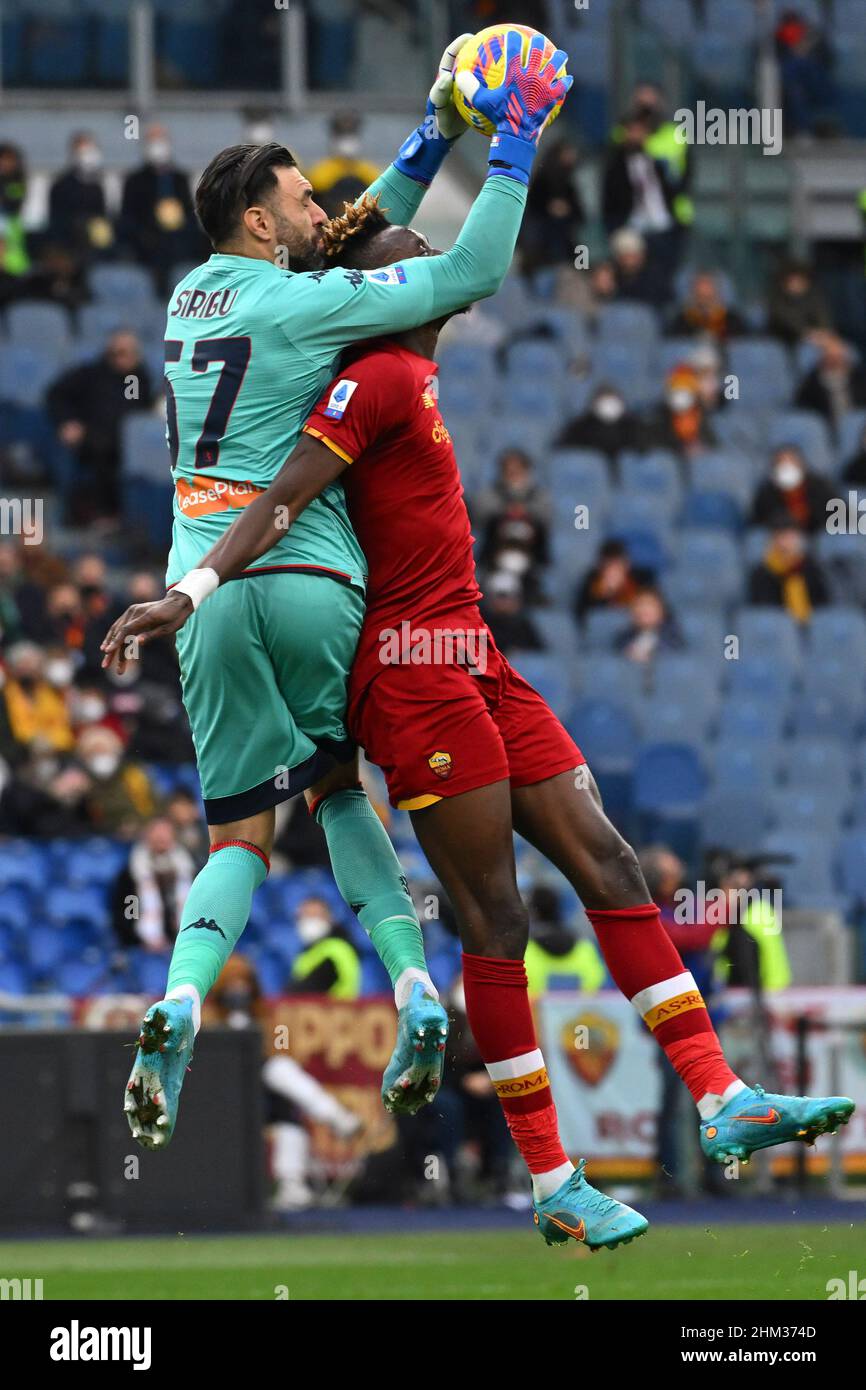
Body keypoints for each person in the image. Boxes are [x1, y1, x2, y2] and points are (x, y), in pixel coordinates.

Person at [109, 193, 855, 1250]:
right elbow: (279, 496)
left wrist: (426, 143)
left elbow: (374, 248)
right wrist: (192, 587)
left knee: (610, 862)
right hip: (410, 671)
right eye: (406, 255)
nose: (423, 263)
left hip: (476, 652)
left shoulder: (405, 372)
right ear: (376, 291)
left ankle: (718, 1095)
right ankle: (551, 1177)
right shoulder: (367, 381)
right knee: (493, 917)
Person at [101, 35, 573, 1162]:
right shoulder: (310, 313)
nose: (327, 208)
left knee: (236, 831)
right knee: (339, 794)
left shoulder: (195, 296)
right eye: (303, 197)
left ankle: (178, 994)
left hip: (200, 599)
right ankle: (415, 984)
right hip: (308, 577)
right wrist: (508, 144)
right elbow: (465, 276)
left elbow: (340, 238)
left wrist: (427, 133)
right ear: (263, 221)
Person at [46, 330, 155, 524]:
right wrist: (67, 421)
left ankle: (140, 521)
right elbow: (56, 394)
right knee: (102, 448)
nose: (121, 359)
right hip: (91, 437)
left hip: (126, 440)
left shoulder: (136, 379)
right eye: (116, 353)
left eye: (127, 353)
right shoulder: (90, 374)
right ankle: (104, 514)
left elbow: (137, 408)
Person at [119, 124, 204, 290]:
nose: (157, 146)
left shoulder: (180, 179)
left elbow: (190, 216)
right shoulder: (135, 180)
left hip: (178, 244)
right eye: (153, 141)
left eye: (161, 140)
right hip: (147, 247)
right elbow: (127, 218)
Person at [112, 817, 196, 952]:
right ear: (147, 837)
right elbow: (127, 910)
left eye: (165, 834)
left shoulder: (186, 868)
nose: (161, 838)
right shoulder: (132, 872)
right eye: (156, 834)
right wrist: (139, 936)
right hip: (141, 945)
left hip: (180, 942)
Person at [48, 132, 114, 261]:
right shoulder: (61, 186)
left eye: (91, 150)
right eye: (83, 152)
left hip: (102, 250)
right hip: (72, 250)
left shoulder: (105, 183)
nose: (88, 156)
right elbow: (57, 223)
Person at [748, 520, 830, 620]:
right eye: (782, 537)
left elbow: (823, 603)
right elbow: (765, 609)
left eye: (791, 537)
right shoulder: (762, 573)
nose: (787, 543)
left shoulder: (811, 568)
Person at [307, 113, 381, 219]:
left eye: (351, 134)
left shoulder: (370, 172)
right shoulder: (319, 173)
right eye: (342, 134)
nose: (347, 140)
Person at [751, 444, 834, 534]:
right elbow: (758, 523)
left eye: (791, 462)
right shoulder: (766, 494)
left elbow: (839, 515)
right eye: (781, 463)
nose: (787, 467)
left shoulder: (819, 487)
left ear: (801, 464)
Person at [795, 332, 866, 427]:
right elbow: (803, 408)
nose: (836, 362)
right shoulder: (811, 383)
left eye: (839, 357)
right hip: (826, 429)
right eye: (831, 358)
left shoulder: (859, 379)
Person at [556, 384, 638, 461]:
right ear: (594, 403)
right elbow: (565, 449)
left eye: (613, 401)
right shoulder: (580, 427)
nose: (609, 407)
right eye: (604, 401)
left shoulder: (631, 425)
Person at [574, 539, 641, 627]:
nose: (613, 571)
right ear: (600, 566)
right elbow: (582, 615)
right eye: (609, 566)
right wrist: (606, 593)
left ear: (627, 564)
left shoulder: (640, 579)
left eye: (618, 565)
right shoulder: (590, 583)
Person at [766, 259, 832, 346]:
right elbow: (787, 323)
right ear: (784, 284)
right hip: (783, 342)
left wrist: (823, 332)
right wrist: (808, 333)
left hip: (815, 339)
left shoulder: (814, 297)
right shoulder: (777, 301)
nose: (798, 285)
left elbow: (824, 318)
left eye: (801, 281)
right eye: (794, 282)